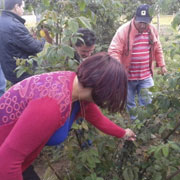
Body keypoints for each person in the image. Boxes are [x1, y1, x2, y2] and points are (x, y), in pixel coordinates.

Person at [0, 52, 136, 180]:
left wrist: (123, 133)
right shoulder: (51, 106)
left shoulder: (76, 89)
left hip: (18, 160)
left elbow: (98, 119)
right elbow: (6, 163)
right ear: (102, 89)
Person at [108, 4, 167, 120]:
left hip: (146, 75)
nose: (143, 25)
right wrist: (119, 71)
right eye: (140, 22)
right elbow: (114, 51)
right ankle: (136, 124)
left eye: (146, 22)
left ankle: (145, 125)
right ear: (135, 17)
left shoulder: (152, 30)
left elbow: (157, 47)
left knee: (147, 101)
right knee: (129, 102)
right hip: (127, 76)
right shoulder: (123, 31)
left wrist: (162, 65)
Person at [0, 0, 51, 85]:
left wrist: (30, 37)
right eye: (22, 7)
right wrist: (42, 36)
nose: (23, 10)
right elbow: (36, 47)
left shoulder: (2, 21)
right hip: (22, 72)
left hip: (9, 68)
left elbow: (16, 42)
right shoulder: (14, 26)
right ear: (16, 7)